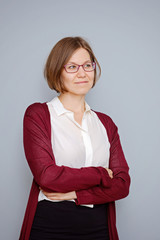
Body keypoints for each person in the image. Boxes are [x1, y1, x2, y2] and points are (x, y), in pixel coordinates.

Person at [19, 36, 130, 240]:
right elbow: (47, 176)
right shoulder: (38, 115)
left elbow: (122, 185)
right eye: (72, 67)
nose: (82, 73)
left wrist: (76, 194)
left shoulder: (106, 123)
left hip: (99, 230)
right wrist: (101, 174)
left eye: (87, 65)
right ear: (57, 71)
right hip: (49, 229)